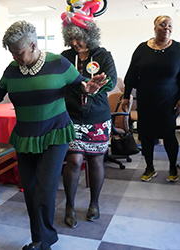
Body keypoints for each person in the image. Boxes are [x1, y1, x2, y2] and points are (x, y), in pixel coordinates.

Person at [0, 20, 111, 250]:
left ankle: (42, 241)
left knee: (44, 189)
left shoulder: (58, 63)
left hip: (55, 135)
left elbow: (80, 85)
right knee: (31, 190)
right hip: (25, 136)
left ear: (34, 46)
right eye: (11, 52)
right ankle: (41, 236)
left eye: (18, 52)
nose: (14, 56)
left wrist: (89, 87)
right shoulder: (12, 70)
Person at [61, 21, 117, 228]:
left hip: (97, 117)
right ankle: (70, 205)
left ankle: (94, 203)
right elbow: (59, 81)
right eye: (72, 38)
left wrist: (96, 87)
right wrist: (81, 86)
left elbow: (110, 80)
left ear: (90, 36)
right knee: (74, 161)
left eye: (80, 38)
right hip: (72, 116)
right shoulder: (65, 57)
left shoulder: (103, 55)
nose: (75, 42)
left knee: (95, 161)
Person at [122, 15, 180, 183]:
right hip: (146, 99)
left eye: (170, 25)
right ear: (154, 28)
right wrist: (127, 96)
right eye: (163, 25)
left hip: (169, 100)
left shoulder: (179, 49)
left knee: (169, 135)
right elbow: (132, 74)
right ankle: (149, 168)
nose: (167, 28)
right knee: (146, 135)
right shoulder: (142, 49)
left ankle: (172, 167)